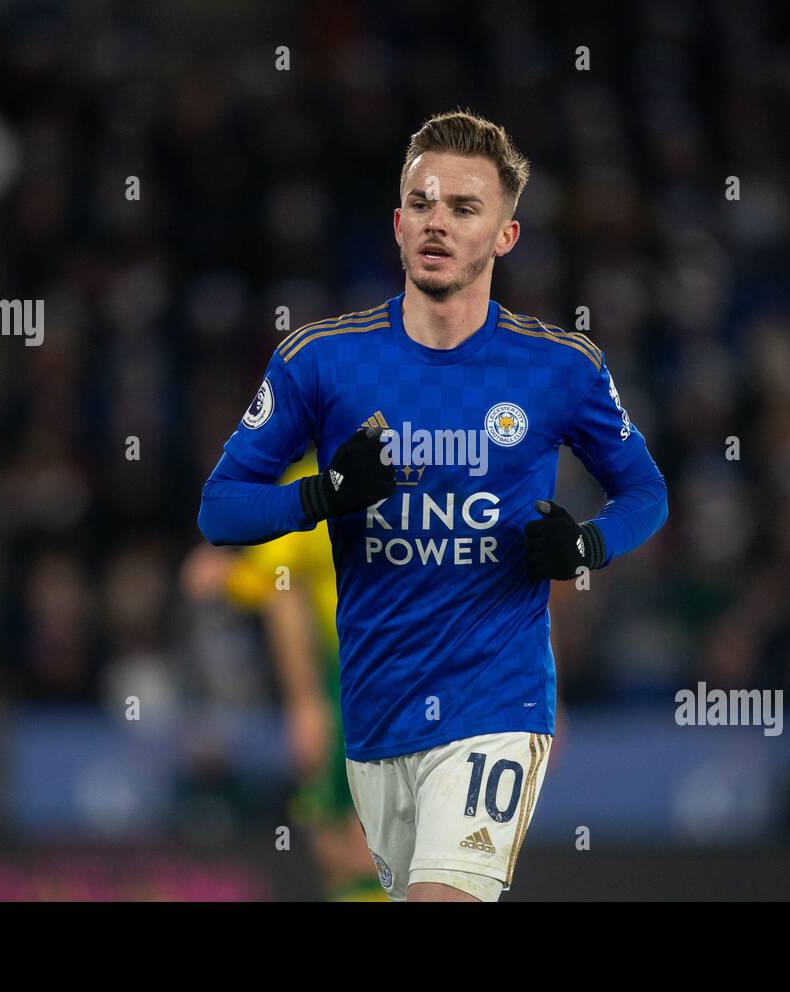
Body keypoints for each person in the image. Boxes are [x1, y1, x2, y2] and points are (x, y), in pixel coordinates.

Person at [198, 111, 668, 901]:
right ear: (396, 222)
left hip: (497, 695)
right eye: (422, 203)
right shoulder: (322, 360)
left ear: (506, 236)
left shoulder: (559, 367)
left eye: (463, 207)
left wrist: (586, 548)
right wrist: (322, 495)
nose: (437, 223)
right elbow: (221, 510)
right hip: (375, 710)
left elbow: (646, 491)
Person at [182, 454, 385, 901]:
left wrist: (305, 703)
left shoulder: (317, 484)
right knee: (354, 838)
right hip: (391, 673)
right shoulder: (451, 469)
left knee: (358, 840)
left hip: (363, 677)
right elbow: (275, 583)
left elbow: (277, 588)